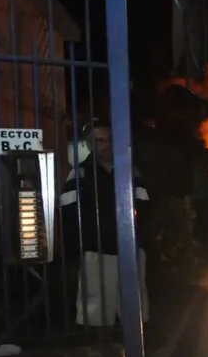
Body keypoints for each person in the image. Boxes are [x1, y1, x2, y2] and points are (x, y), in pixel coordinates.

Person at [60, 118, 151, 328]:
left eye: (109, 139)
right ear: (89, 144)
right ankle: (99, 348)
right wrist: (84, 243)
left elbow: (146, 206)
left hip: (131, 249)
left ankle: (137, 347)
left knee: (134, 303)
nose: (106, 144)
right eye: (100, 140)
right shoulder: (80, 174)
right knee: (96, 306)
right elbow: (69, 213)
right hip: (96, 249)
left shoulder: (131, 172)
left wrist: (140, 237)